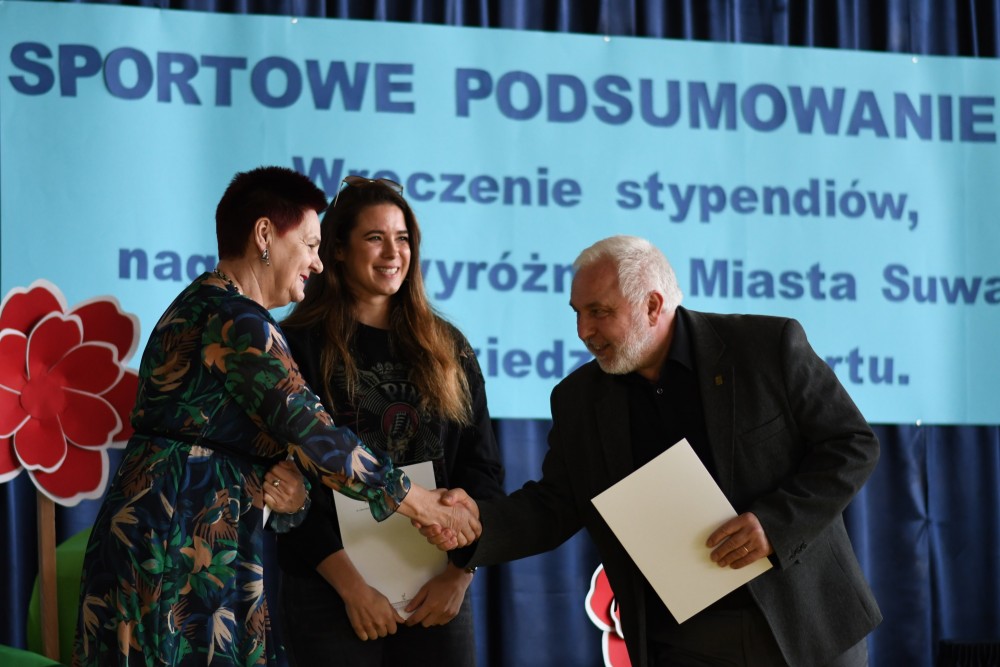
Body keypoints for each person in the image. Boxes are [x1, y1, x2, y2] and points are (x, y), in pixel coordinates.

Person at [71, 166, 479, 667]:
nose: (317, 262)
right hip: (174, 543)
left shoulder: (212, 303)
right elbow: (317, 438)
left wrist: (291, 493)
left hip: (182, 531)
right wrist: (423, 506)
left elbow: (262, 448)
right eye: (309, 245)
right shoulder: (236, 319)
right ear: (264, 235)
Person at [428, 235, 882, 666]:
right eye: (578, 313)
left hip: (803, 625)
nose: (583, 331)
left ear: (652, 305)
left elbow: (851, 444)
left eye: (599, 312)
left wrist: (773, 525)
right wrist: (474, 524)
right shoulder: (577, 399)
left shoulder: (764, 347)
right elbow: (555, 506)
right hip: (683, 642)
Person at [275, 176, 504, 667]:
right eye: (375, 238)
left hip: (435, 591)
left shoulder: (448, 347)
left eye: (402, 239)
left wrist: (459, 575)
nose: (392, 253)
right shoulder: (295, 344)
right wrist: (352, 589)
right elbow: (286, 486)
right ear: (337, 250)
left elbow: (482, 471)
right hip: (330, 593)